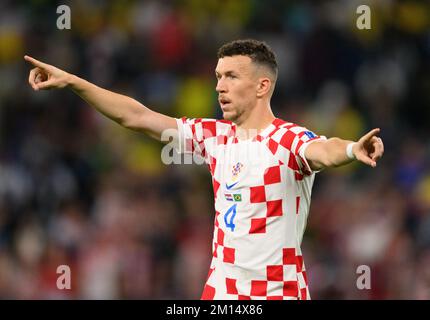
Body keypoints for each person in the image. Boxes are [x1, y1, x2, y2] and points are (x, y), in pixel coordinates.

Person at [25, 39, 384, 300]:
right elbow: (136, 116)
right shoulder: (214, 137)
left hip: (278, 293)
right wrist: (73, 82)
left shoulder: (287, 140)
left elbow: (323, 150)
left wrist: (353, 148)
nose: (219, 86)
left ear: (262, 86)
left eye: (230, 76)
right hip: (222, 293)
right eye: (217, 76)